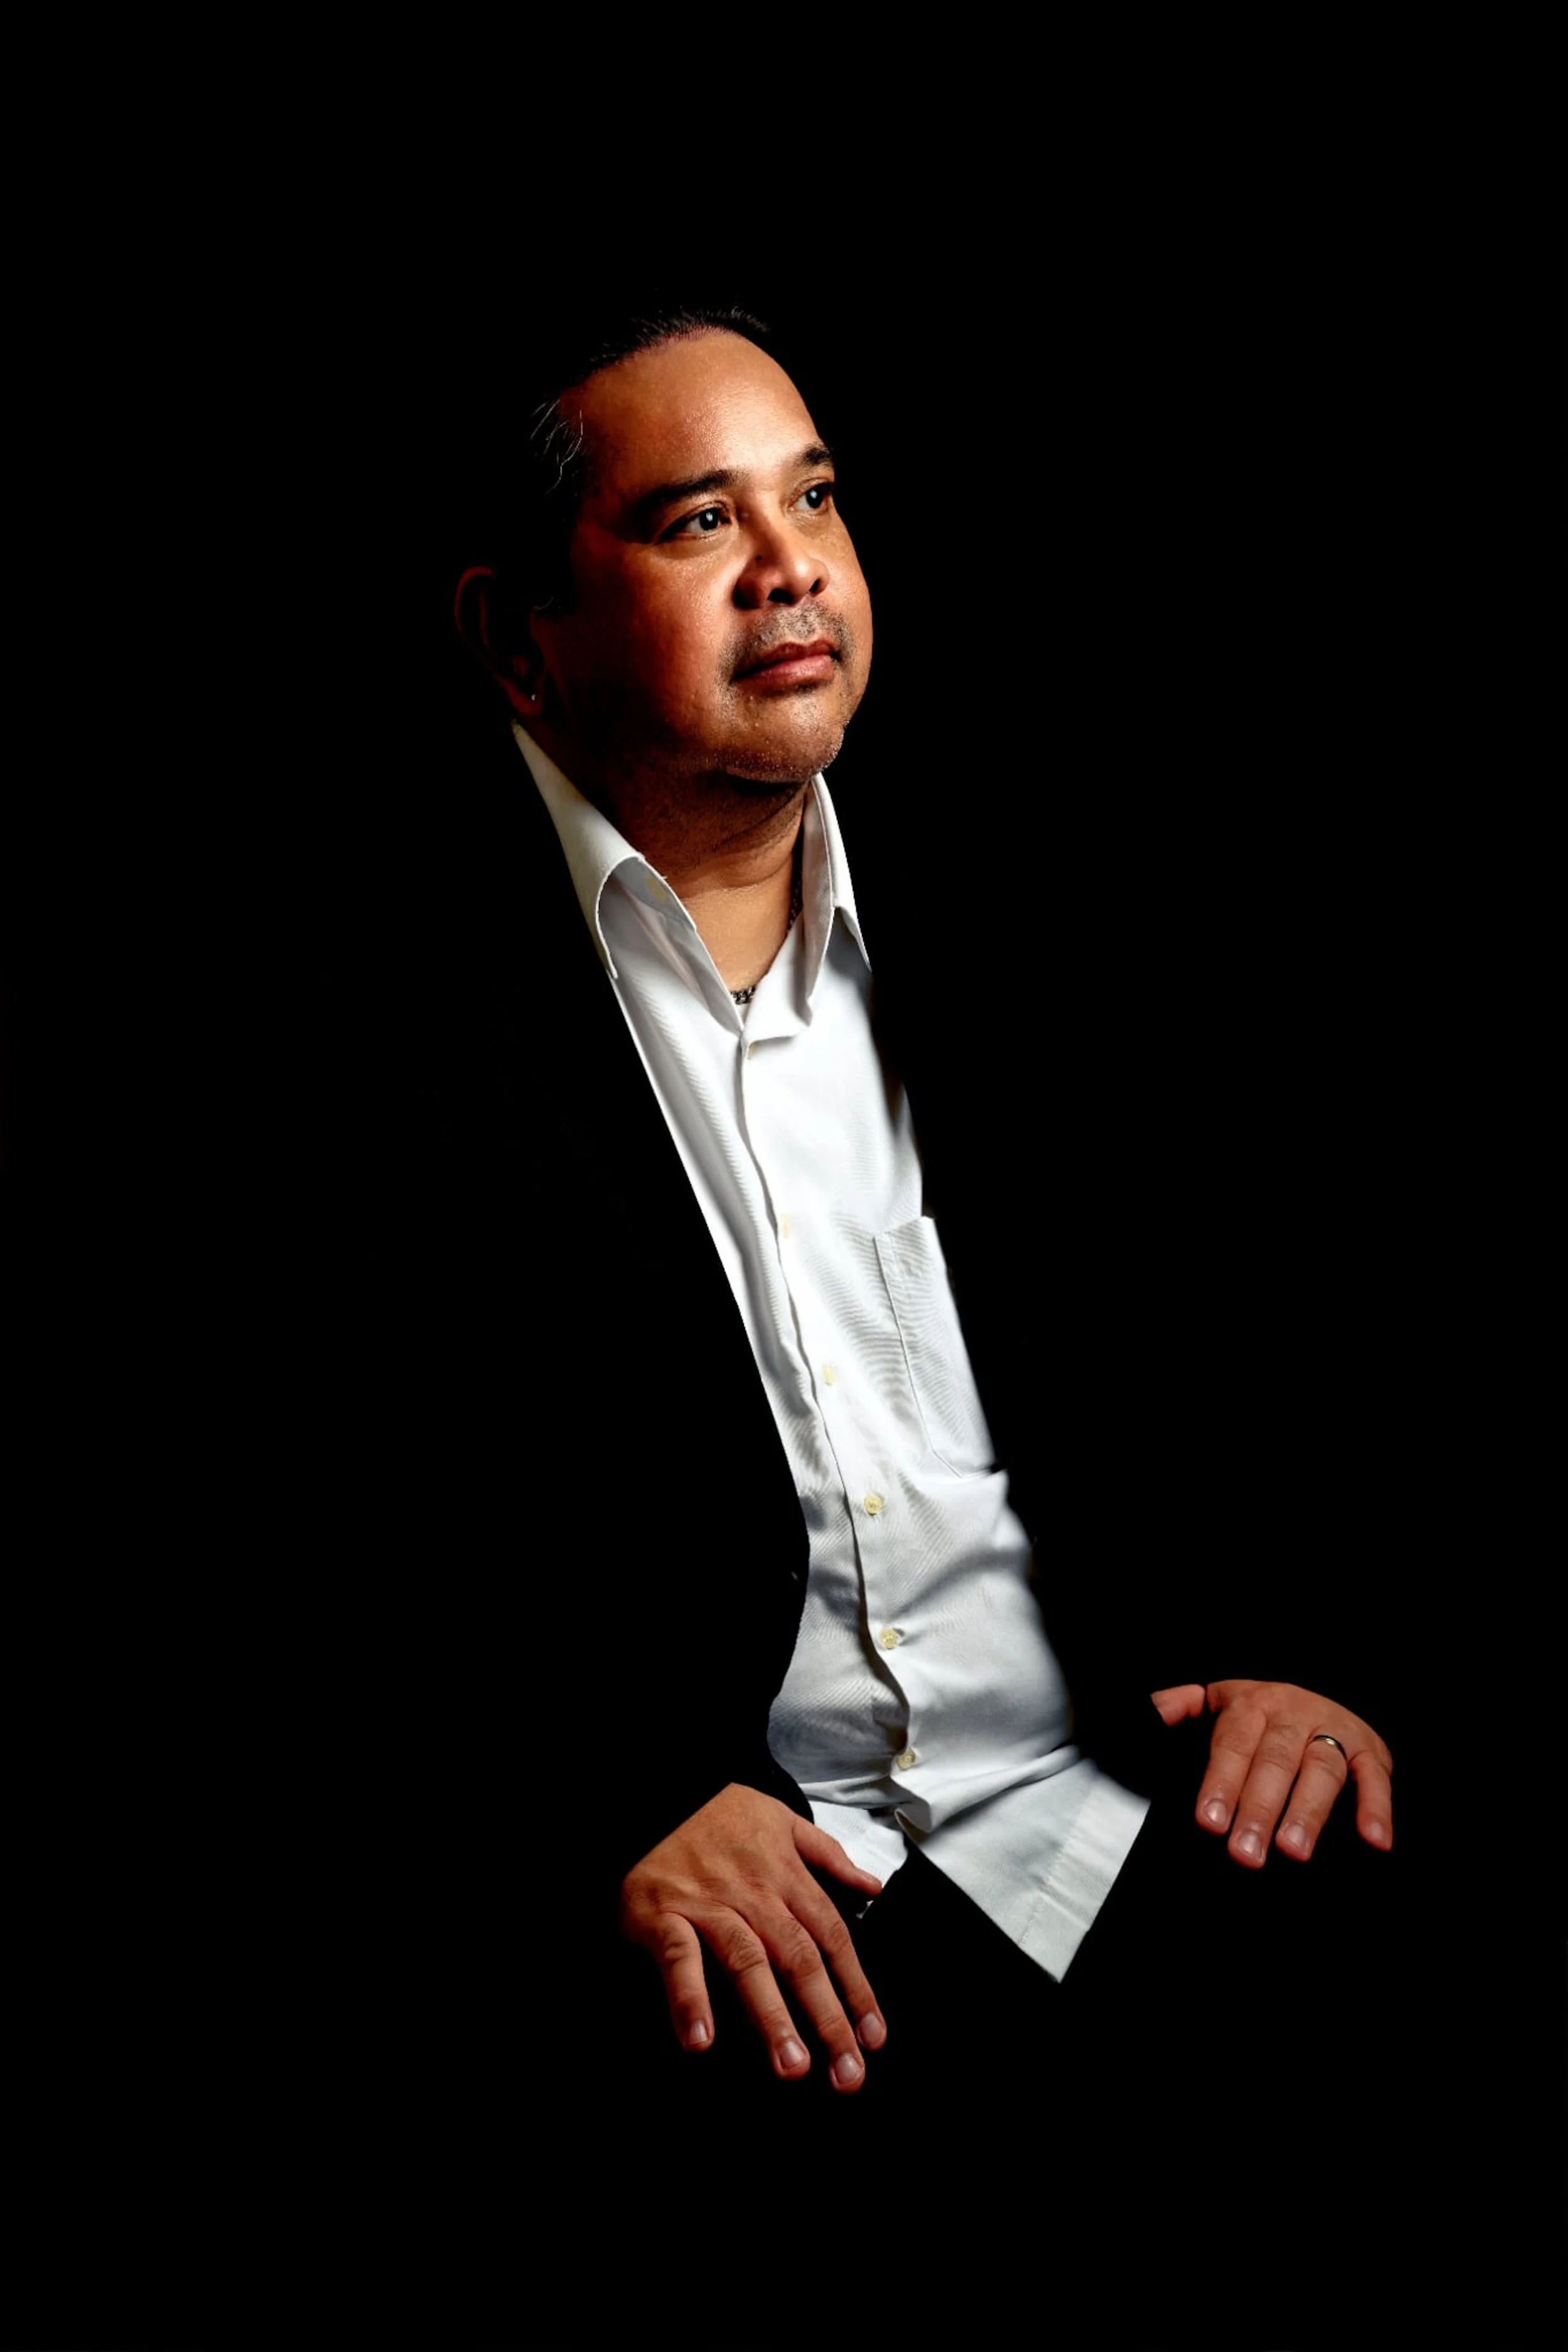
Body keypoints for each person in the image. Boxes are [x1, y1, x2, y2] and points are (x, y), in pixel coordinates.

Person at [388, 299, 1401, 2324]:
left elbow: (1306, 1313)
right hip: (745, 1942)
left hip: (1138, 1822)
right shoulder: (353, 1015)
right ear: (515, 638)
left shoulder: (1062, 903)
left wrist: (1301, 1645)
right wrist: (595, 1817)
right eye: (697, 520)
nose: (791, 569)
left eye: (816, 497)